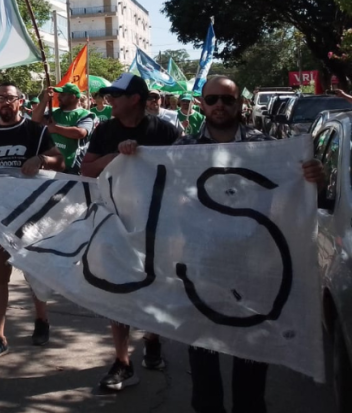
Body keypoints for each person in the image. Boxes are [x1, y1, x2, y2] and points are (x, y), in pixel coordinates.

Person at [172, 76, 324, 413]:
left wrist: (315, 176)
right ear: (201, 104)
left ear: (240, 103)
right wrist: (130, 156)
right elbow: (156, 190)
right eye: (212, 99)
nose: (219, 106)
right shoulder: (181, 150)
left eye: (227, 100)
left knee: (253, 351)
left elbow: (293, 191)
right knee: (203, 351)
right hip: (202, 265)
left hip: (255, 266)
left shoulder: (267, 148)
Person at [80, 74, 180, 391]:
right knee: (117, 287)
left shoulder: (163, 130)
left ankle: (152, 339)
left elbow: (185, 169)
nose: (109, 101)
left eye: (115, 96)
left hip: (159, 224)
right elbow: (87, 169)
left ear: (134, 99)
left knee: (155, 284)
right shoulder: (106, 130)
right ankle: (122, 362)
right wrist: (115, 157)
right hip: (116, 222)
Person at [0, 81, 65, 360]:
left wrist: (42, 160)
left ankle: (42, 319)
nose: (5, 103)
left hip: (31, 215)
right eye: (0, 98)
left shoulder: (35, 131)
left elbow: (61, 161)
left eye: (10, 98)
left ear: (21, 102)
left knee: (35, 272)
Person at [31, 83, 95, 175]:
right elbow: (35, 121)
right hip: (52, 165)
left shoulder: (85, 115)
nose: (59, 97)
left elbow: (80, 133)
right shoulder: (53, 112)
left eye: (63, 94)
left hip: (73, 168)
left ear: (72, 97)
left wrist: (55, 128)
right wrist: (44, 100)